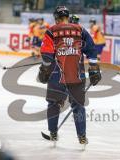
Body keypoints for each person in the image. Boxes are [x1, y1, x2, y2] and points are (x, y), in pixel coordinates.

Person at [37, 6, 101, 145]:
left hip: (56, 75)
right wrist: (94, 68)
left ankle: (53, 133)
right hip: (77, 76)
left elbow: (47, 55)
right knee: (78, 106)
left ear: (56, 17)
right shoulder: (80, 30)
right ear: (68, 16)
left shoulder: (51, 31)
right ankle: (82, 136)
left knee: (53, 104)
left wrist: (44, 69)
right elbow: (91, 50)